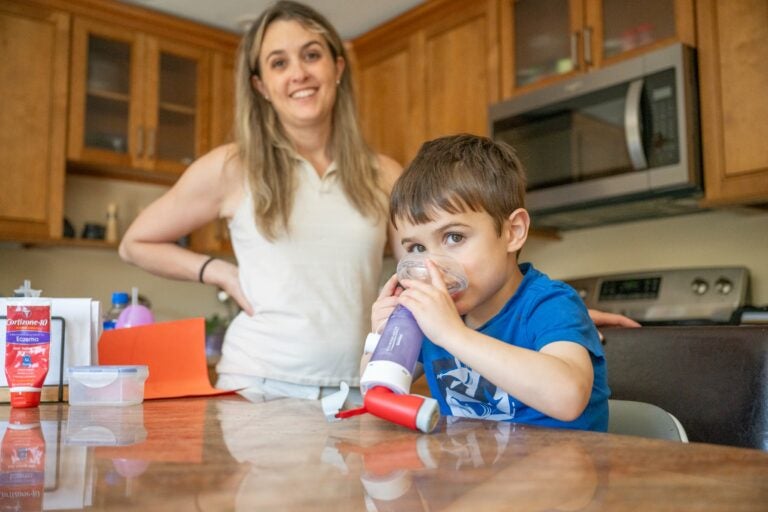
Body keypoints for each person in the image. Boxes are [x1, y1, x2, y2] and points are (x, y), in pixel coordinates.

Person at [119, 1, 403, 399]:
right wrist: (219, 272)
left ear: (337, 68)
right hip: (258, 387)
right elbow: (135, 243)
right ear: (260, 86)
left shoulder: (386, 174)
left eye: (311, 55)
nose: (299, 73)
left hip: (360, 387)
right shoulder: (233, 166)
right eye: (278, 63)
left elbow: (419, 265)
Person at [368, 134, 614, 431]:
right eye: (417, 249)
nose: (432, 266)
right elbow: (377, 398)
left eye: (454, 237)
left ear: (513, 232)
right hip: (472, 475)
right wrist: (382, 338)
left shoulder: (549, 304)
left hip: (558, 474)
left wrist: (452, 334)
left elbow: (568, 397)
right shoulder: (433, 319)